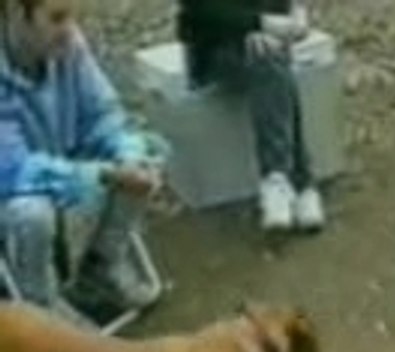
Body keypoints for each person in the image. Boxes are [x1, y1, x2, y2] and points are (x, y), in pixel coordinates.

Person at [0, 0, 168, 326]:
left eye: (73, 16)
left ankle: (102, 266)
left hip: (63, 161)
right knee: (31, 213)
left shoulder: (70, 45)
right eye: (57, 18)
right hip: (13, 188)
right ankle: (40, 310)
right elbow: (14, 171)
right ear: (18, 14)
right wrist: (102, 175)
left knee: (146, 152)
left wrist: (129, 156)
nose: (69, 29)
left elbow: (103, 114)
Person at [176, 0, 325, 234]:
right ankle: (297, 180)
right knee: (268, 56)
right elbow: (200, 9)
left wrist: (295, 15)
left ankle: (281, 180)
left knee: (269, 55)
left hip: (269, 41)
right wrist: (256, 25)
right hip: (213, 47)